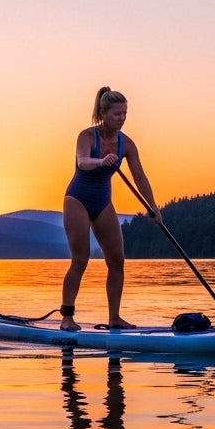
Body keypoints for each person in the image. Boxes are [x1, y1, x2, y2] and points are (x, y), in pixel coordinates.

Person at [60, 87, 160, 331]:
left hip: (103, 202)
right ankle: (67, 317)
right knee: (80, 260)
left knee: (117, 260)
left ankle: (114, 318)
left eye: (125, 113)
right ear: (103, 113)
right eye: (117, 114)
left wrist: (153, 207)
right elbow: (82, 162)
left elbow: (140, 178)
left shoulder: (127, 144)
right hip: (78, 200)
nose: (122, 118)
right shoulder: (86, 136)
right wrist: (100, 161)